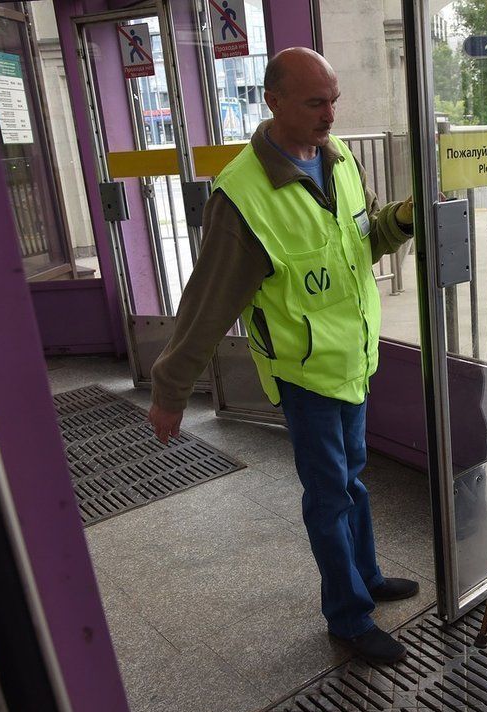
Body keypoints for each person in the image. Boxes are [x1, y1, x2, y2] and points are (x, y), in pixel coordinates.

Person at [147, 48, 418, 665]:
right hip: (305, 372)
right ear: (272, 100)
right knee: (329, 494)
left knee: (352, 479)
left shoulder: (338, 158)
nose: (330, 115)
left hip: (352, 358)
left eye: (334, 99)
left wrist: (400, 221)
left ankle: (368, 576)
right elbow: (208, 304)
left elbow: (361, 240)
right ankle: (348, 617)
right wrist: (169, 389)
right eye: (315, 102)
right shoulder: (242, 196)